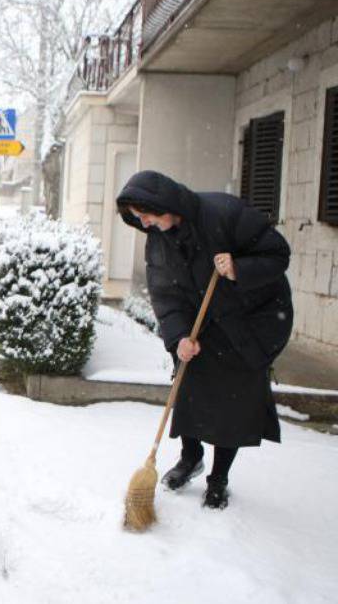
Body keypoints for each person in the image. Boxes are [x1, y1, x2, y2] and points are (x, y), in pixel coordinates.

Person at [116, 170, 293, 509]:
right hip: (202, 327)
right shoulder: (158, 240)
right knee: (189, 391)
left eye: (148, 214)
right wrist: (178, 336)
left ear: (165, 203)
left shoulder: (223, 213)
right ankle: (190, 457)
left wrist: (239, 267)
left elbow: (278, 255)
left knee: (234, 407)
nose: (146, 223)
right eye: (139, 219)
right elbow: (165, 295)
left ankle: (218, 479)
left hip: (249, 325)